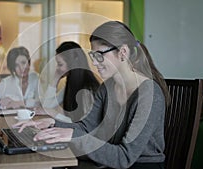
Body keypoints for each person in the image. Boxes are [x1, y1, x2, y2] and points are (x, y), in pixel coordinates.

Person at [14, 21, 170, 169]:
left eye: (99, 55)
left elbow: (125, 157)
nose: (94, 63)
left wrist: (73, 135)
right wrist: (52, 123)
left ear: (122, 52)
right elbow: (86, 127)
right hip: (111, 161)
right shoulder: (106, 87)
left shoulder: (149, 94)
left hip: (140, 165)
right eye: (93, 56)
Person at [38, 41, 100, 123]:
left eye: (60, 64)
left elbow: (84, 125)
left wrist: (54, 113)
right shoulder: (72, 84)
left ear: (72, 64)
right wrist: (55, 79)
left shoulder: (88, 89)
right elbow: (47, 106)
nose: (57, 68)